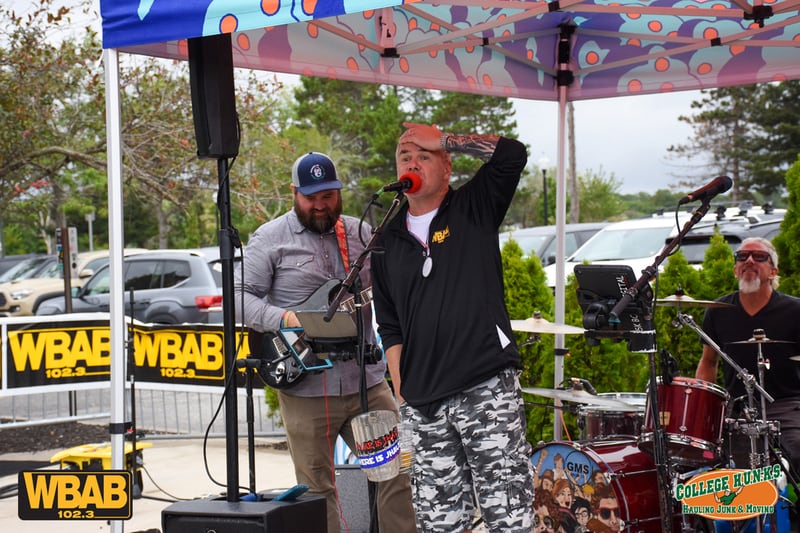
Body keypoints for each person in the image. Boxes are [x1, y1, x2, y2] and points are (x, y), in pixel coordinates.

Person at [235, 152, 416, 533]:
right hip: (306, 389)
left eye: (329, 195)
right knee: (317, 489)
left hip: (366, 381)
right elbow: (239, 297)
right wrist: (285, 318)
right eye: (311, 196)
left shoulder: (362, 233)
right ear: (294, 193)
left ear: (339, 192)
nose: (320, 204)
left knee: (395, 472)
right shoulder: (270, 238)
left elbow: (393, 286)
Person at [371, 122, 535, 531]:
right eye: (405, 156)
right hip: (423, 403)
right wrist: (401, 388)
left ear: (447, 168)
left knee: (509, 517)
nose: (412, 162)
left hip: (485, 388)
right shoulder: (386, 238)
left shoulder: (473, 206)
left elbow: (512, 154)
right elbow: (389, 323)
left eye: (424, 155)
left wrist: (446, 140)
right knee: (439, 523)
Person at [695, 237, 800, 524]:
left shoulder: (795, 310)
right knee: (743, 482)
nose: (749, 261)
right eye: (742, 257)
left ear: (773, 271)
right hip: (738, 409)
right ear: (735, 270)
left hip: (787, 404)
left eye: (759, 257)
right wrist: (705, 406)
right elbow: (708, 362)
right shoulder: (718, 311)